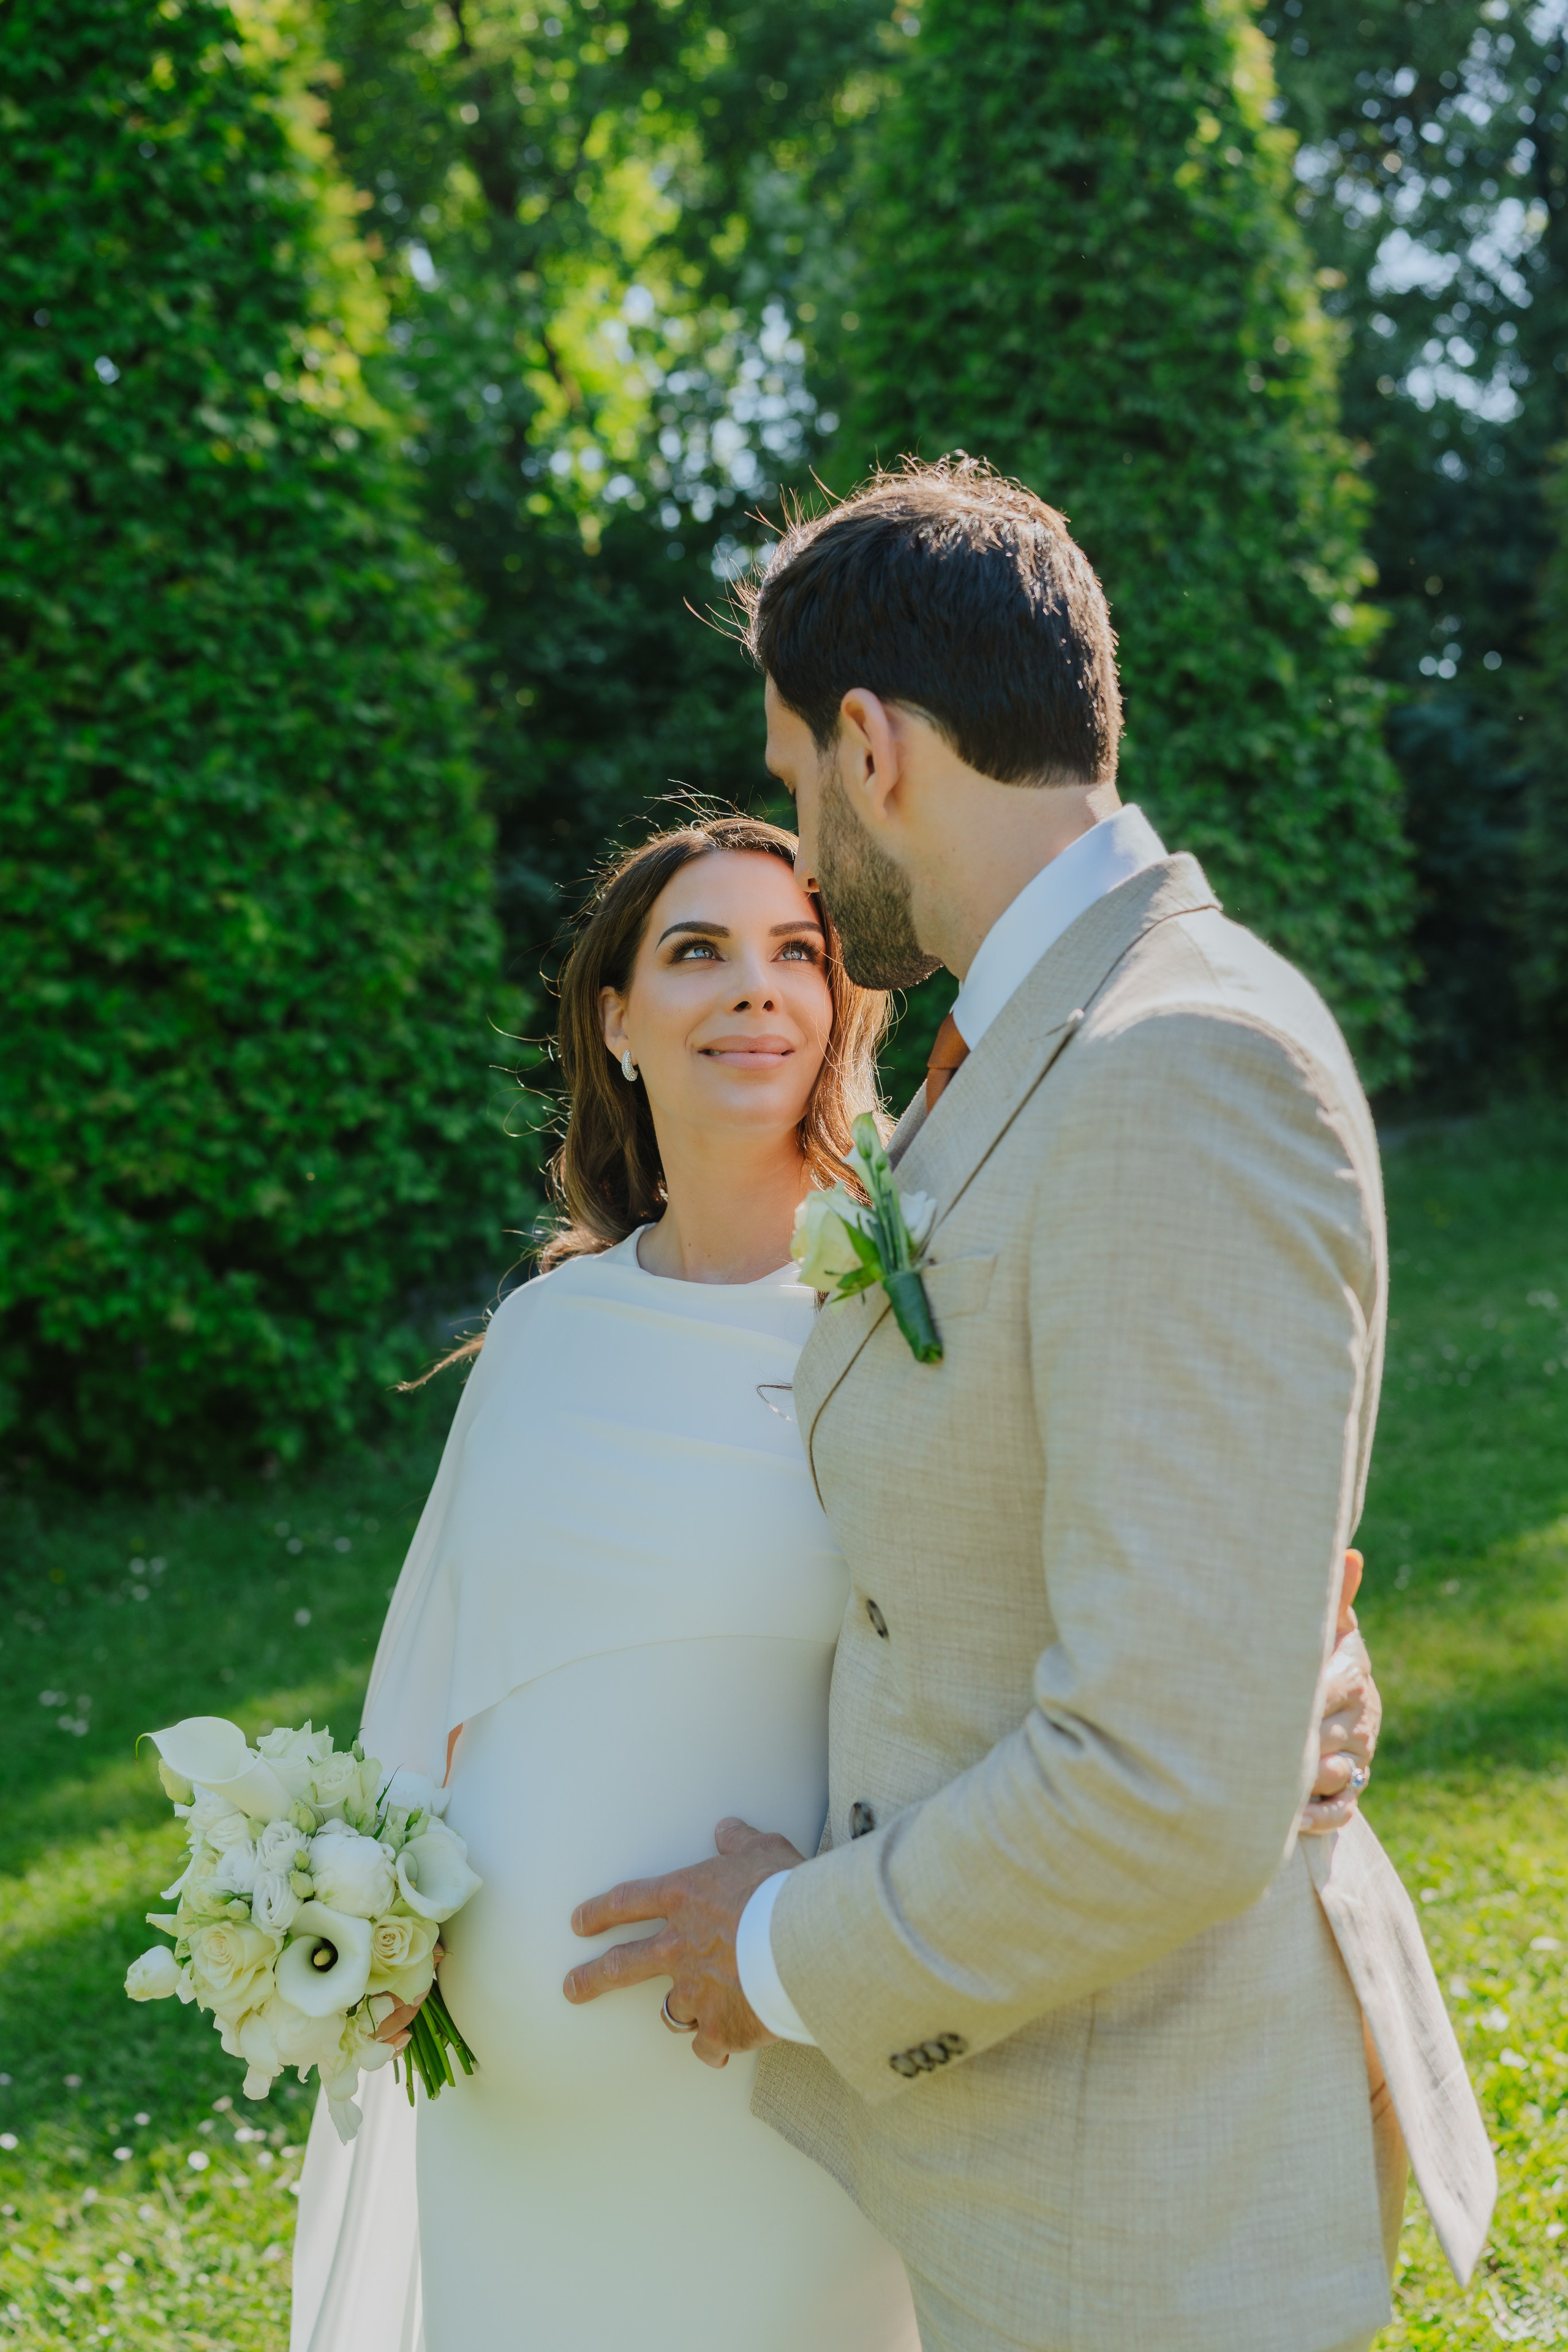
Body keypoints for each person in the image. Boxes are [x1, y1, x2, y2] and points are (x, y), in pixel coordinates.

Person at [562, 459, 1496, 2352]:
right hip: (1009, 2154)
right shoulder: (1026, 1045)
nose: (802, 854)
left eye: (796, 779)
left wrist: (774, 1946)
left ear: (874, 741)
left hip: (1143, 2203)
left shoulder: (1182, 1064)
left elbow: (1164, 1781)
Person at [290, 809, 1381, 2352]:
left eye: (794, 953)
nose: (754, 989)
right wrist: (371, 1922)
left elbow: (1159, 1559)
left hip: (796, 2095)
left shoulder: (915, 1299)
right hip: (520, 2144)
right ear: (615, 1022)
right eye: (698, 953)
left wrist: (1313, 1697)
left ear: (838, 1008)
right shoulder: (541, 1335)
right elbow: (442, 1674)